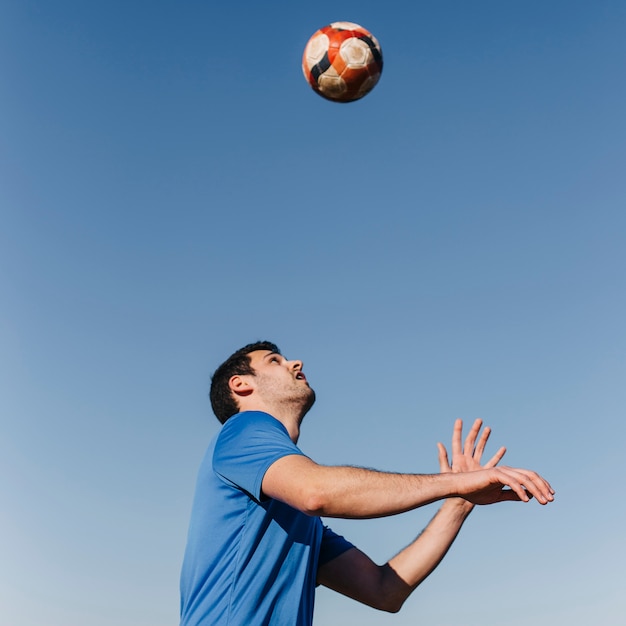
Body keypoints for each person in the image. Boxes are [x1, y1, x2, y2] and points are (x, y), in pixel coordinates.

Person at [179, 341, 554, 625]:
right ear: (241, 385)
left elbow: (384, 590)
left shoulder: (297, 524)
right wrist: (451, 482)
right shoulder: (243, 430)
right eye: (274, 361)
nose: (296, 363)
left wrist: (459, 500)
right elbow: (316, 492)